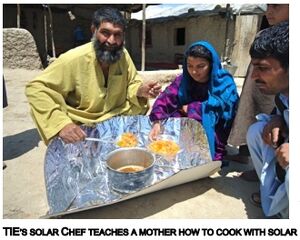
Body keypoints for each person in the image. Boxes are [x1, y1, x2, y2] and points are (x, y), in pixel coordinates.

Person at [25, 7, 161, 145]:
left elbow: (132, 82)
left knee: (142, 107)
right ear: (94, 31)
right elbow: (36, 88)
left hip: (115, 113)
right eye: (105, 33)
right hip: (85, 121)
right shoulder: (73, 58)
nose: (112, 41)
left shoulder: (123, 55)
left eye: (117, 34)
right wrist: (62, 124)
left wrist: (140, 90)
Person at [149, 41, 239, 161]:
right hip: (189, 124)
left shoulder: (224, 82)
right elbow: (166, 98)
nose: (194, 72)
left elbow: (223, 111)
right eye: (190, 66)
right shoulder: (184, 80)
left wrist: (191, 108)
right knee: (169, 118)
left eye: (200, 66)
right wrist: (156, 121)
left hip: (215, 129)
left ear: (211, 65)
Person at [227, 4, 289, 177]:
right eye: (268, 5)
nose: (269, 11)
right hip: (262, 93)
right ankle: (261, 171)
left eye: (276, 6)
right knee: (258, 125)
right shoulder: (264, 35)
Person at [246, 21, 289, 218]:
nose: (254, 76)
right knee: (258, 131)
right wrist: (276, 119)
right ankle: (276, 203)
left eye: (263, 68)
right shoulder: (284, 95)